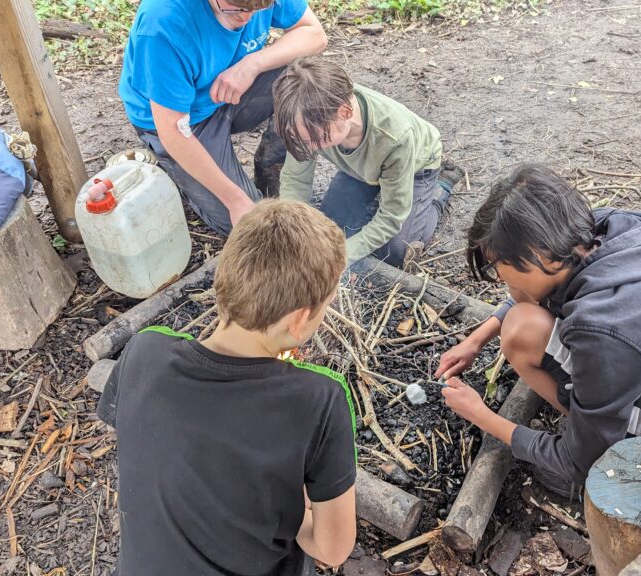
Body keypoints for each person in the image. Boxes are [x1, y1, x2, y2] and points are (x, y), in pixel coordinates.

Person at [435, 164, 641, 497]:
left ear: (539, 253)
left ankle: (621, 456)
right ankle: (597, 416)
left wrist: (482, 416)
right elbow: (525, 295)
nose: (502, 279)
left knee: (522, 335)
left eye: (500, 267)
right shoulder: (599, 229)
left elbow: (578, 461)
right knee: (521, 318)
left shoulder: (605, 325)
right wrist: (476, 339)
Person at [97, 200, 357, 575]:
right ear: (300, 321)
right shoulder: (319, 401)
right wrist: (298, 510)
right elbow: (332, 550)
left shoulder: (144, 349)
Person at [118, 0, 327, 234]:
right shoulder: (164, 23)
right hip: (183, 120)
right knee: (250, 226)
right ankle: (178, 168)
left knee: (306, 81)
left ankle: (271, 170)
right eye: (235, 7)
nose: (247, 18)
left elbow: (315, 34)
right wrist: (235, 200)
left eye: (259, 8)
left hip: (232, 87)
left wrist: (251, 65)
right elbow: (173, 130)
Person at [273, 57, 463, 267]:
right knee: (332, 228)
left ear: (345, 112)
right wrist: (292, 228)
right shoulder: (310, 114)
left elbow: (392, 216)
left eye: (314, 139)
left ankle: (440, 189)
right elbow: (295, 178)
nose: (309, 147)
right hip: (360, 170)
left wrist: (340, 258)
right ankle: (378, 193)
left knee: (396, 251)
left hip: (417, 166)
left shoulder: (394, 137)